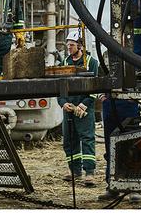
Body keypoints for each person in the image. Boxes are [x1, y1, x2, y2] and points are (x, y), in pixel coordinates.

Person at [57, 30, 99, 187]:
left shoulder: (91, 62)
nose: (69, 48)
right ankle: (74, 171)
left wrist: (84, 104)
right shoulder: (65, 62)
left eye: (72, 45)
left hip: (84, 109)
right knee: (69, 140)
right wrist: (63, 103)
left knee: (87, 139)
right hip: (69, 107)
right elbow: (59, 86)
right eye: (68, 45)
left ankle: (89, 173)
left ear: (80, 46)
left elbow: (95, 87)